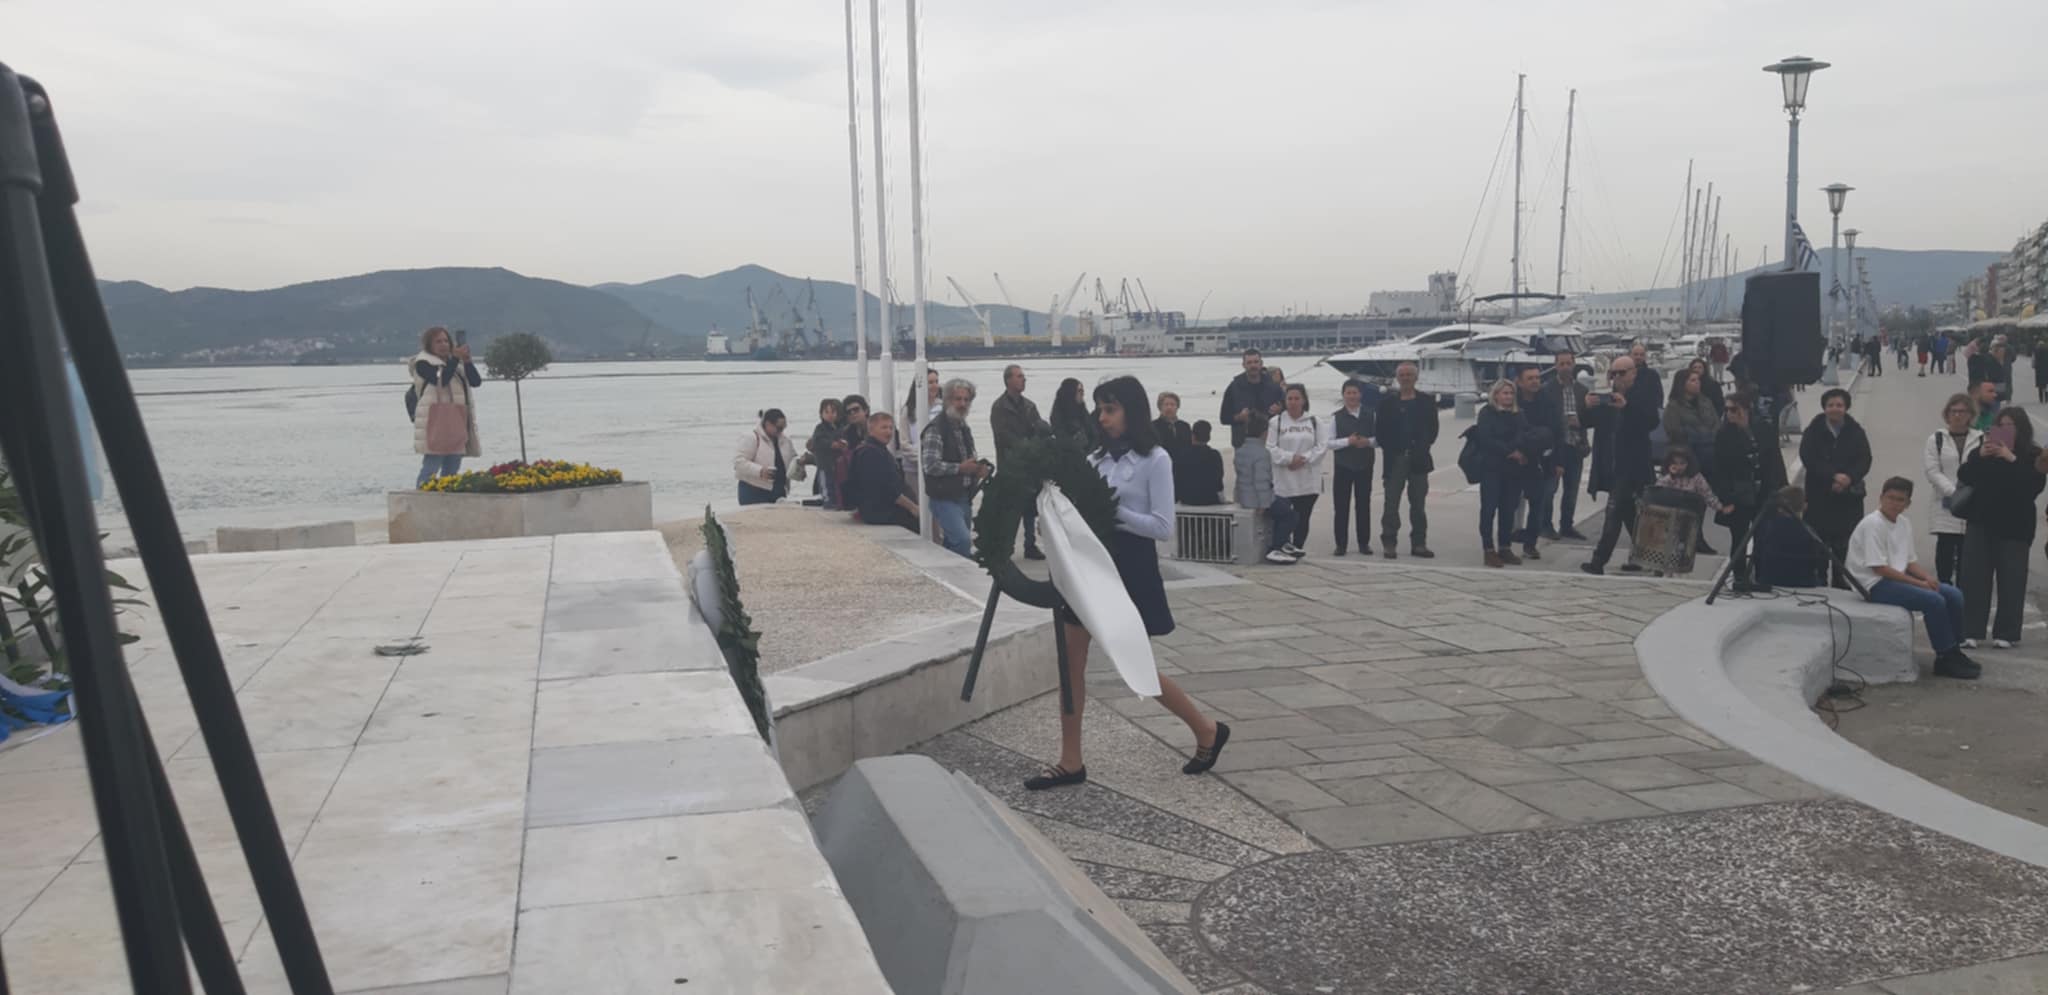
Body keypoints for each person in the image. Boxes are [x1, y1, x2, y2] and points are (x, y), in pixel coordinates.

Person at [1026, 376, 1231, 790]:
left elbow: (1162, 527)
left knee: (1136, 666)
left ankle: (1206, 729)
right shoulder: (1095, 458)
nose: (1102, 418)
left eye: (1110, 409)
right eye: (1100, 409)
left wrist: (1112, 511)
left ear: (1131, 411)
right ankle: (1070, 760)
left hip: (1132, 567)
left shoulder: (1157, 459)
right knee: (1071, 665)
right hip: (1089, 566)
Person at [1850, 478, 1979, 679]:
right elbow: (1879, 568)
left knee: (1953, 595)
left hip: (1895, 577)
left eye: (1900, 500)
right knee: (1933, 601)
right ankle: (1944, 656)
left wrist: (1928, 578)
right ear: (1881, 497)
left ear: (1908, 503)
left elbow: (1909, 562)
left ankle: (1954, 651)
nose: (1894, 503)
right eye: (1890, 498)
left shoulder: (1903, 523)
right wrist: (1920, 584)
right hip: (1873, 583)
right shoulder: (1873, 524)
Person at [1956, 407, 2046, 649]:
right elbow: (1965, 475)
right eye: (2000, 425)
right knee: (1974, 578)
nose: (2004, 430)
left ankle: (2007, 633)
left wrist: (2011, 457)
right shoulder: (1984, 450)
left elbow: (2033, 486)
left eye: (2009, 426)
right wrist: (1980, 456)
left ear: (2021, 429)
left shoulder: (2032, 454)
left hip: (2016, 527)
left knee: (2011, 580)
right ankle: (1970, 630)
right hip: (1981, 522)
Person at [1581, 358, 1658, 575]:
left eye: (1621, 373)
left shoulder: (1642, 394)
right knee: (1627, 513)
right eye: (1612, 373)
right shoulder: (1607, 398)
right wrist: (1586, 406)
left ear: (1633, 373)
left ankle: (1599, 561)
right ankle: (1646, 556)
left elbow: (1651, 421)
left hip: (1634, 464)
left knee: (1617, 512)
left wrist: (1627, 407)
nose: (1616, 378)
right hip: (1613, 465)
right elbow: (1587, 422)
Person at [1798, 388, 1872, 589]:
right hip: (1819, 493)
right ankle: (1819, 577)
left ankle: (1840, 578)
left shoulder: (1856, 431)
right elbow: (1808, 457)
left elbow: (1865, 459)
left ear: (1846, 407)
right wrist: (1832, 475)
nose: (1835, 409)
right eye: (1830, 405)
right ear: (1824, 408)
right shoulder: (1813, 431)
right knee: (1818, 540)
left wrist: (1849, 478)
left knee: (1844, 541)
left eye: (1839, 405)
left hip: (1848, 496)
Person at [1376, 362, 1438, 559]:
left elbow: (1433, 430)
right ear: (1397, 378)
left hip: (1419, 459)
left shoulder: (1427, 401)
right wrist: (1394, 449)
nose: (1405, 378)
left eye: (1409, 374)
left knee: (1418, 504)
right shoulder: (1387, 403)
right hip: (1395, 460)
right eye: (1402, 375)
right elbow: (1380, 432)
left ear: (1416, 377)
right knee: (1391, 503)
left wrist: (1421, 447)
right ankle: (1389, 541)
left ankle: (1419, 543)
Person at [922, 378, 990, 558]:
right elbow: (930, 465)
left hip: (964, 496)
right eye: (958, 399)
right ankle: (960, 573)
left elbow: (968, 461)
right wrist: (960, 468)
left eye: (966, 400)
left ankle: (944, 573)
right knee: (962, 541)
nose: (962, 404)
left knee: (954, 544)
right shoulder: (936, 429)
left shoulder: (963, 427)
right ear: (947, 400)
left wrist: (978, 470)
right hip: (944, 497)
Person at [989, 364, 1051, 560]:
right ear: (1008, 380)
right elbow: (1003, 436)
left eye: (1023, 376)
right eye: (1019, 376)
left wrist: (1043, 432)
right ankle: (1005, 547)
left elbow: (1040, 429)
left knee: (1030, 508)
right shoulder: (999, 407)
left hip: (1030, 465)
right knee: (1011, 508)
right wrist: (1025, 446)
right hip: (1010, 465)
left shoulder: (1029, 406)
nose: (1023, 379)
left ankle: (1030, 544)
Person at [409, 325, 482, 486]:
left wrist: (467, 361)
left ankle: (446, 493)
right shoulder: (422, 363)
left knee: (453, 465)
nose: (443, 345)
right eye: (438, 342)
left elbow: (476, 382)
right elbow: (441, 380)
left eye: (446, 341)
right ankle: (423, 494)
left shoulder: (455, 364)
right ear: (429, 345)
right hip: (435, 421)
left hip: (457, 419)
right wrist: (455, 359)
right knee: (432, 463)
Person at [1922, 393, 1982, 586]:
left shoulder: (1981, 439)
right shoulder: (1937, 439)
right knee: (1945, 547)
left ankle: (1964, 591)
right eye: (1953, 411)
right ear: (1947, 414)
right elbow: (1932, 471)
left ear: (1970, 414)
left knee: (1967, 549)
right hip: (1946, 501)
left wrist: (1968, 493)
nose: (1957, 415)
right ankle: (1945, 587)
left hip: (1972, 502)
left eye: (1962, 411)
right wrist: (1953, 492)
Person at [1713, 394, 1773, 581]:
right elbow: (1719, 469)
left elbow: (1774, 459)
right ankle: (1739, 576)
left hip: (1762, 489)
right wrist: (1725, 498)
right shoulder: (1724, 434)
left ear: (1746, 409)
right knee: (1739, 536)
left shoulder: (1762, 428)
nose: (1729, 414)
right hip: (1738, 492)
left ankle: (1762, 573)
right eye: (1726, 410)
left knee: (1763, 535)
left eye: (1734, 409)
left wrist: (1780, 488)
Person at [1471, 380, 1530, 568]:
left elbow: (1523, 435)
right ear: (1496, 395)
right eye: (1505, 393)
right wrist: (1508, 451)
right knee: (1489, 509)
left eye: (1511, 393)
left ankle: (1505, 547)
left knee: (1508, 509)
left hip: (1512, 469)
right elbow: (1485, 438)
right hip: (1492, 467)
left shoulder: (1518, 414)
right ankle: (1488, 549)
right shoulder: (1487, 413)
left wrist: (1518, 450)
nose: (1508, 397)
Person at [1267, 383, 1327, 556]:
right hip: (1284, 480)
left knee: (1303, 517)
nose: (1293, 402)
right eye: (1290, 398)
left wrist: (1303, 459)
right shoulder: (1276, 422)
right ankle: (1280, 547)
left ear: (1304, 400)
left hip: (1308, 480)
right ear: (1285, 401)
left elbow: (1322, 447)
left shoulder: (1315, 422)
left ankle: (1297, 547)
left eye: (1297, 398)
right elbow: (1270, 448)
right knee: (1284, 516)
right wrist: (1289, 458)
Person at [1538, 351, 1591, 541]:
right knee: (1549, 490)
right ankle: (1545, 525)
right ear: (1556, 365)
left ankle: (1567, 525)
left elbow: (1588, 418)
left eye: (1568, 363)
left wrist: (1580, 422)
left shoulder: (1582, 390)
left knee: (1572, 490)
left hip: (1575, 445)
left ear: (1574, 364)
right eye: (1561, 364)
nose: (1566, 367)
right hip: (1555, 447)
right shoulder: (1546, 390)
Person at [1653, 446, 1731, 570]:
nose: (1679, 467)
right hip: (1671, 514)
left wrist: (1720, 507)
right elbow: (1657, 490)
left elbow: (1707, 494)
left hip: (1690, 514)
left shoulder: (1696, 477)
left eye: (1682, 463)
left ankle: (1687, 554)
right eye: (1675, 463)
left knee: (1686, 539)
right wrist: (1670, 476)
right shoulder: (1667, 477)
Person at [1235, 411, 1299, 564]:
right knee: (1291, 515)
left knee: (1285, 502)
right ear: (1264, 432)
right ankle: (1275, 548)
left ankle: (1283, 543)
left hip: (1244, 494)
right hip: (1256, 498)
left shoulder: (1241, 449)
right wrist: (1263, 503)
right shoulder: (1262, 453)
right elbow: (1261, 480)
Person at [1509, 366, 1556, 560]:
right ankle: (1506, 542)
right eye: (1530, 378)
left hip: (1540, 460)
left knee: (1537, 503)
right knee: (1510, 502)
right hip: (1516, 460)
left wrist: (1558, 461)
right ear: (1519, 382)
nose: (1535, 381)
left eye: (1537, 378)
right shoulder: (1512, 402)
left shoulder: (1547, 402)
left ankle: (1530, 544)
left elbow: (1557, 431)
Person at [1326, 379, 1377, 556]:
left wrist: (1367, 442)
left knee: (1363, 504)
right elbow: (1329, 443)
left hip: (1365, 465)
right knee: (1341, 506)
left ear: (1360, 394)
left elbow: (1380, 439)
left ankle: (1364, 543)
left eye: (1355, 392)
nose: (1352, 396)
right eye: (1348, 393)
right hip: (1343, 466)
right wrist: (1348, 441)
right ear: (1343, 395)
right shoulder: (1336, 417)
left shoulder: (1371, 414)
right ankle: (1341, 544)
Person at [846, 411, 918, 531]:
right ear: (871, 430)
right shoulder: (871, 453)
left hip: (879, 509)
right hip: (881, 512)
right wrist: (913, 508)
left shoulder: (876, 450)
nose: (889, 432)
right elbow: (888, 489)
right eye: (884, 427)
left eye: (891, 428)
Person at [1754, 486, 1827, 587]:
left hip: (1770, 580)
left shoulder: (1767, 527)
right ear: (1804, 506)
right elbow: (1816, 560)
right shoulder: (1809, 531)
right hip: (1804, 581)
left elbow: (1758, 554)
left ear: (1779, 508)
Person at [1219, 348, 1285, 448]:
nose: (1253, 365)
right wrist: (1239, 417)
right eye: (1249, 363)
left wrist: (1280, 409)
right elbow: (1224, 418)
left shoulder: (1273, 386)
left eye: (1256, 362)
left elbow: (1290, 409)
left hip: (1271, 442)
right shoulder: (1234, 387)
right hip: (1243, 443)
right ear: (1243, 365)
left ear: (1261, 363)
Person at [735, 408, 801, 505]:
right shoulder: (751, 437)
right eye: (779, 428)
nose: (781, 431)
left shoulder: (786, 440)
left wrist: (800, 467)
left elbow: (793, 460)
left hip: (779, 491)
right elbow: (738, 463)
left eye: (784, 427)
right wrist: (760, 471)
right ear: (768, 424)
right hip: (753, 491)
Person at [804, 397, 845, 508]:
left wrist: (842, 444)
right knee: (825, 482)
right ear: (821, 414)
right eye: (826, 412)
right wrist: (831, 444)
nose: (830, 415)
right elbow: (817, 441)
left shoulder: (839, 428)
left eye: (833, 412)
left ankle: (835, 500)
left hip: (835, 461)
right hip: (824, 462)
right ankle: (827, 501)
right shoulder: (820, 428)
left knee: (835, 482)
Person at [1179, 420, 1226, 506]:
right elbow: (1219, 480)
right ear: (1209, 437)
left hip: (1187, 499)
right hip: (1210, 499)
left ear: (1193, 435)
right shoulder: (1214, 455)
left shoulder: (1183, 455)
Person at [1050, 376, 1099, 450]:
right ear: (1070, 392)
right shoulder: (1059, 416)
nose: (1082, 394)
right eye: (1079, 391)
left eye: (1083, 391)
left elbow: (1093, 434)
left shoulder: (1083, 412)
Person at [1152, 392, 1193, 457]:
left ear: (1177, 407)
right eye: (1166, 404)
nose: (1169, 407)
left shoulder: (1184, 426)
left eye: (1172, 404)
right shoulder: (1153, 426)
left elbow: (1190, 447)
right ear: (1160, 407)